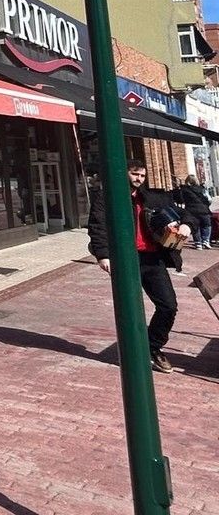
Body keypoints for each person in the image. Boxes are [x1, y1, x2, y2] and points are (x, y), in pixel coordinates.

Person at [87, 159, 184, 373]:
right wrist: (103, 255)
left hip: (152, 259)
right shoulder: (107, 197)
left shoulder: (150, 198)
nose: (139, 179)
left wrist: (184, 226)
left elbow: (181, 212)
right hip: (126, 260)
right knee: (130, 309)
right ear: (125, 173)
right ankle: (132, 352)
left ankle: (152, 347)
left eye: (142, 175)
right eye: (134, 174)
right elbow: (97, 226)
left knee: (168, 305)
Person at [177, 174, 212, 249]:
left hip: (191, 211)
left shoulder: (184, 190)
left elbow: (181, 200)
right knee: (206, 225)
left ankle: (198, 243)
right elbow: (209, 199)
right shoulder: (202, 188)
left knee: (195, 226)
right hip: (204, 210)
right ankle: (206, 241)